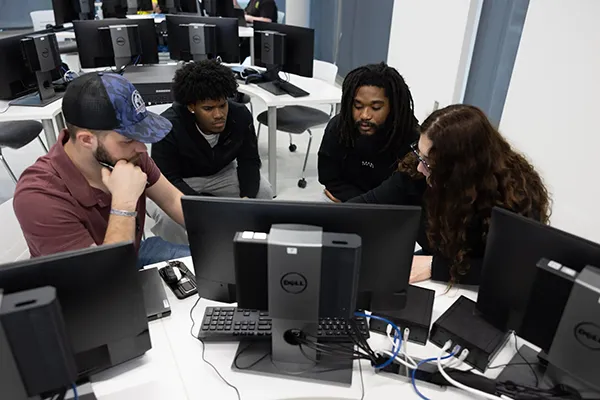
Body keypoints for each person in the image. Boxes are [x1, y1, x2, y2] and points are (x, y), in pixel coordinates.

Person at [350, 104, 551, 285]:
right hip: (434, 273)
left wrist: (434, 267)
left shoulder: (515, 194)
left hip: (477, 287)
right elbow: (365, 207)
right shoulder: (415, 172)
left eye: (428, 162)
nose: (420, 167)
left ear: (460, 170)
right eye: (419, 153)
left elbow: (513, 269)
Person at [13, 72, 190, 268]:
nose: (142, 148)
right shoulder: (40, 196)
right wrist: (124, 202)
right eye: (128, 139)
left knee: (217, 266)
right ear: (87, 140)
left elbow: (173, 200)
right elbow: (103, 278)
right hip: (84, 284)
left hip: (133, 252)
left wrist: (220, 238)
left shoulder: (129, 155)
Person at [318, 62, 418, 203]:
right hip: (345, 199)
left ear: (393, 107)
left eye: (376, 107)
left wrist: (361, 206)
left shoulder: (411, 137)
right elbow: (329, 179)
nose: (365, 115)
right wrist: (357, 204)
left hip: (389, 210)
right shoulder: (339, 127)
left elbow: (405, 193)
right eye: (357, 106)